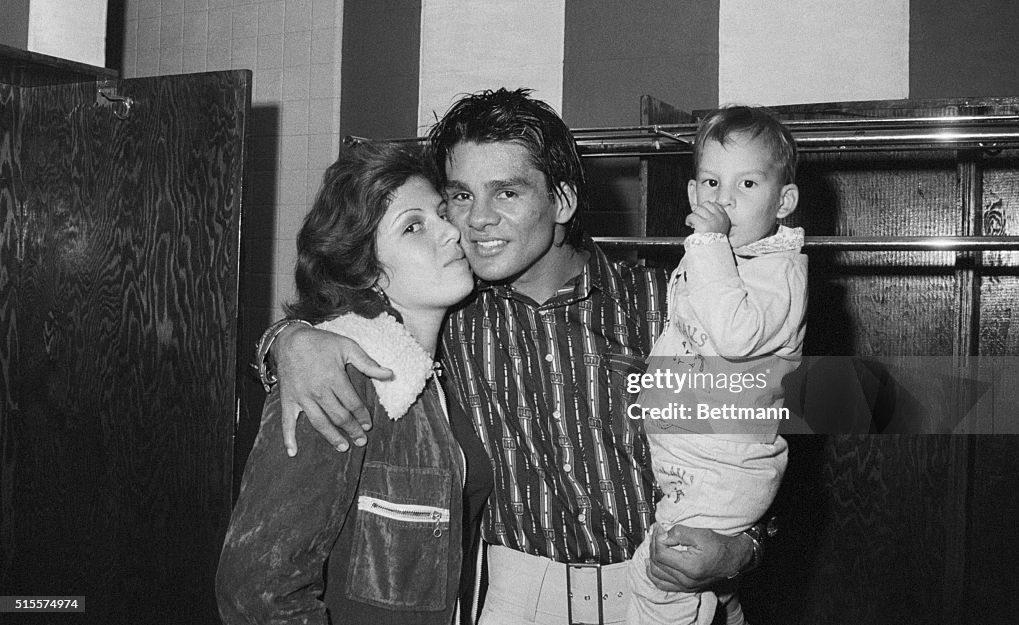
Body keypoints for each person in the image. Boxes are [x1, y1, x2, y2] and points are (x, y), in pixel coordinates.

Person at [257, 89, 764, 624]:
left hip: (666, 600)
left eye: (506, 193)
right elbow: (348, 316)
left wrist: (742, 549)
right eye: (460, 195)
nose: (477, 220)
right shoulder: (445, 310)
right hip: (512, 601)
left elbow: (771, 443)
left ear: (562, 201)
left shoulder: (675, 301)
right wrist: (287, 340)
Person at [216, 141, 492, 625]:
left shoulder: (450, 366)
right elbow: (255, 590)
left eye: (443, 214)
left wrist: (284, 338)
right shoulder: (339, 381)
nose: (452, 233)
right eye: (414, 226)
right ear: (366, 272)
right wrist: (291, 341)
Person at [626, 105, 805, 625]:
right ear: (691, 193)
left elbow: (733, 334)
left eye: (747, 183)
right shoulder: (726, 259)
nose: (724, 199)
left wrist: (706, 244)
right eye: (711, 181)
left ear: (784, 200)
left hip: (723, 471)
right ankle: (728, 610)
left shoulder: (778, 273)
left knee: (659, 578)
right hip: (694, 462)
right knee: (677, 579)